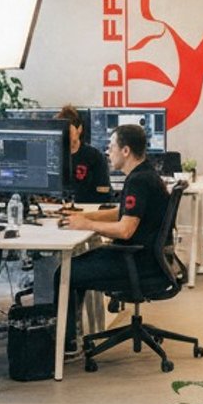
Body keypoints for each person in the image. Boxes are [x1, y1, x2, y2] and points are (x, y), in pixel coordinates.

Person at [59, 124, 171, 355]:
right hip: (147, 258)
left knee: (65, 273)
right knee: (77, 265)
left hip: (137, 263)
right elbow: (124, 212)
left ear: (126, 151)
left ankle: (68, 345)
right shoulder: (146, 173)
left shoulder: (138, 181)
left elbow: (125, 230)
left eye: (111, 148)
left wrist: (87, 225)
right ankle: (73, 334)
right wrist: (83, 215)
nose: (108, 153)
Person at [58, 105, 114, 205]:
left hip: (87, 208)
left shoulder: (94, 157)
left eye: (69, 131)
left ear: (79, 129)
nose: (65, 135)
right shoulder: (55, 155)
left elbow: (104, 194)